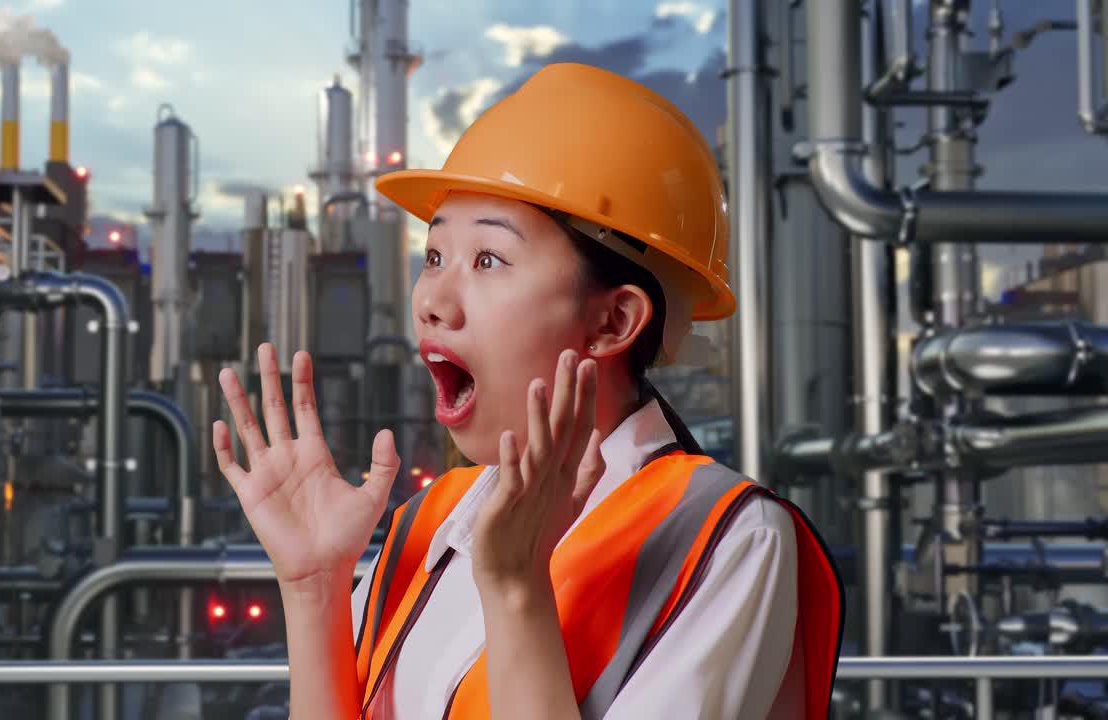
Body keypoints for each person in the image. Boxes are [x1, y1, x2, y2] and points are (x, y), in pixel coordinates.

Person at [213, 62, 843, 720]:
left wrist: (517, 589)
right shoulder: (429, 522)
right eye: (434, 257)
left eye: (488, 259)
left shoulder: (727, 539)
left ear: (612, 321)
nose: (432, 301)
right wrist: (316, 585)